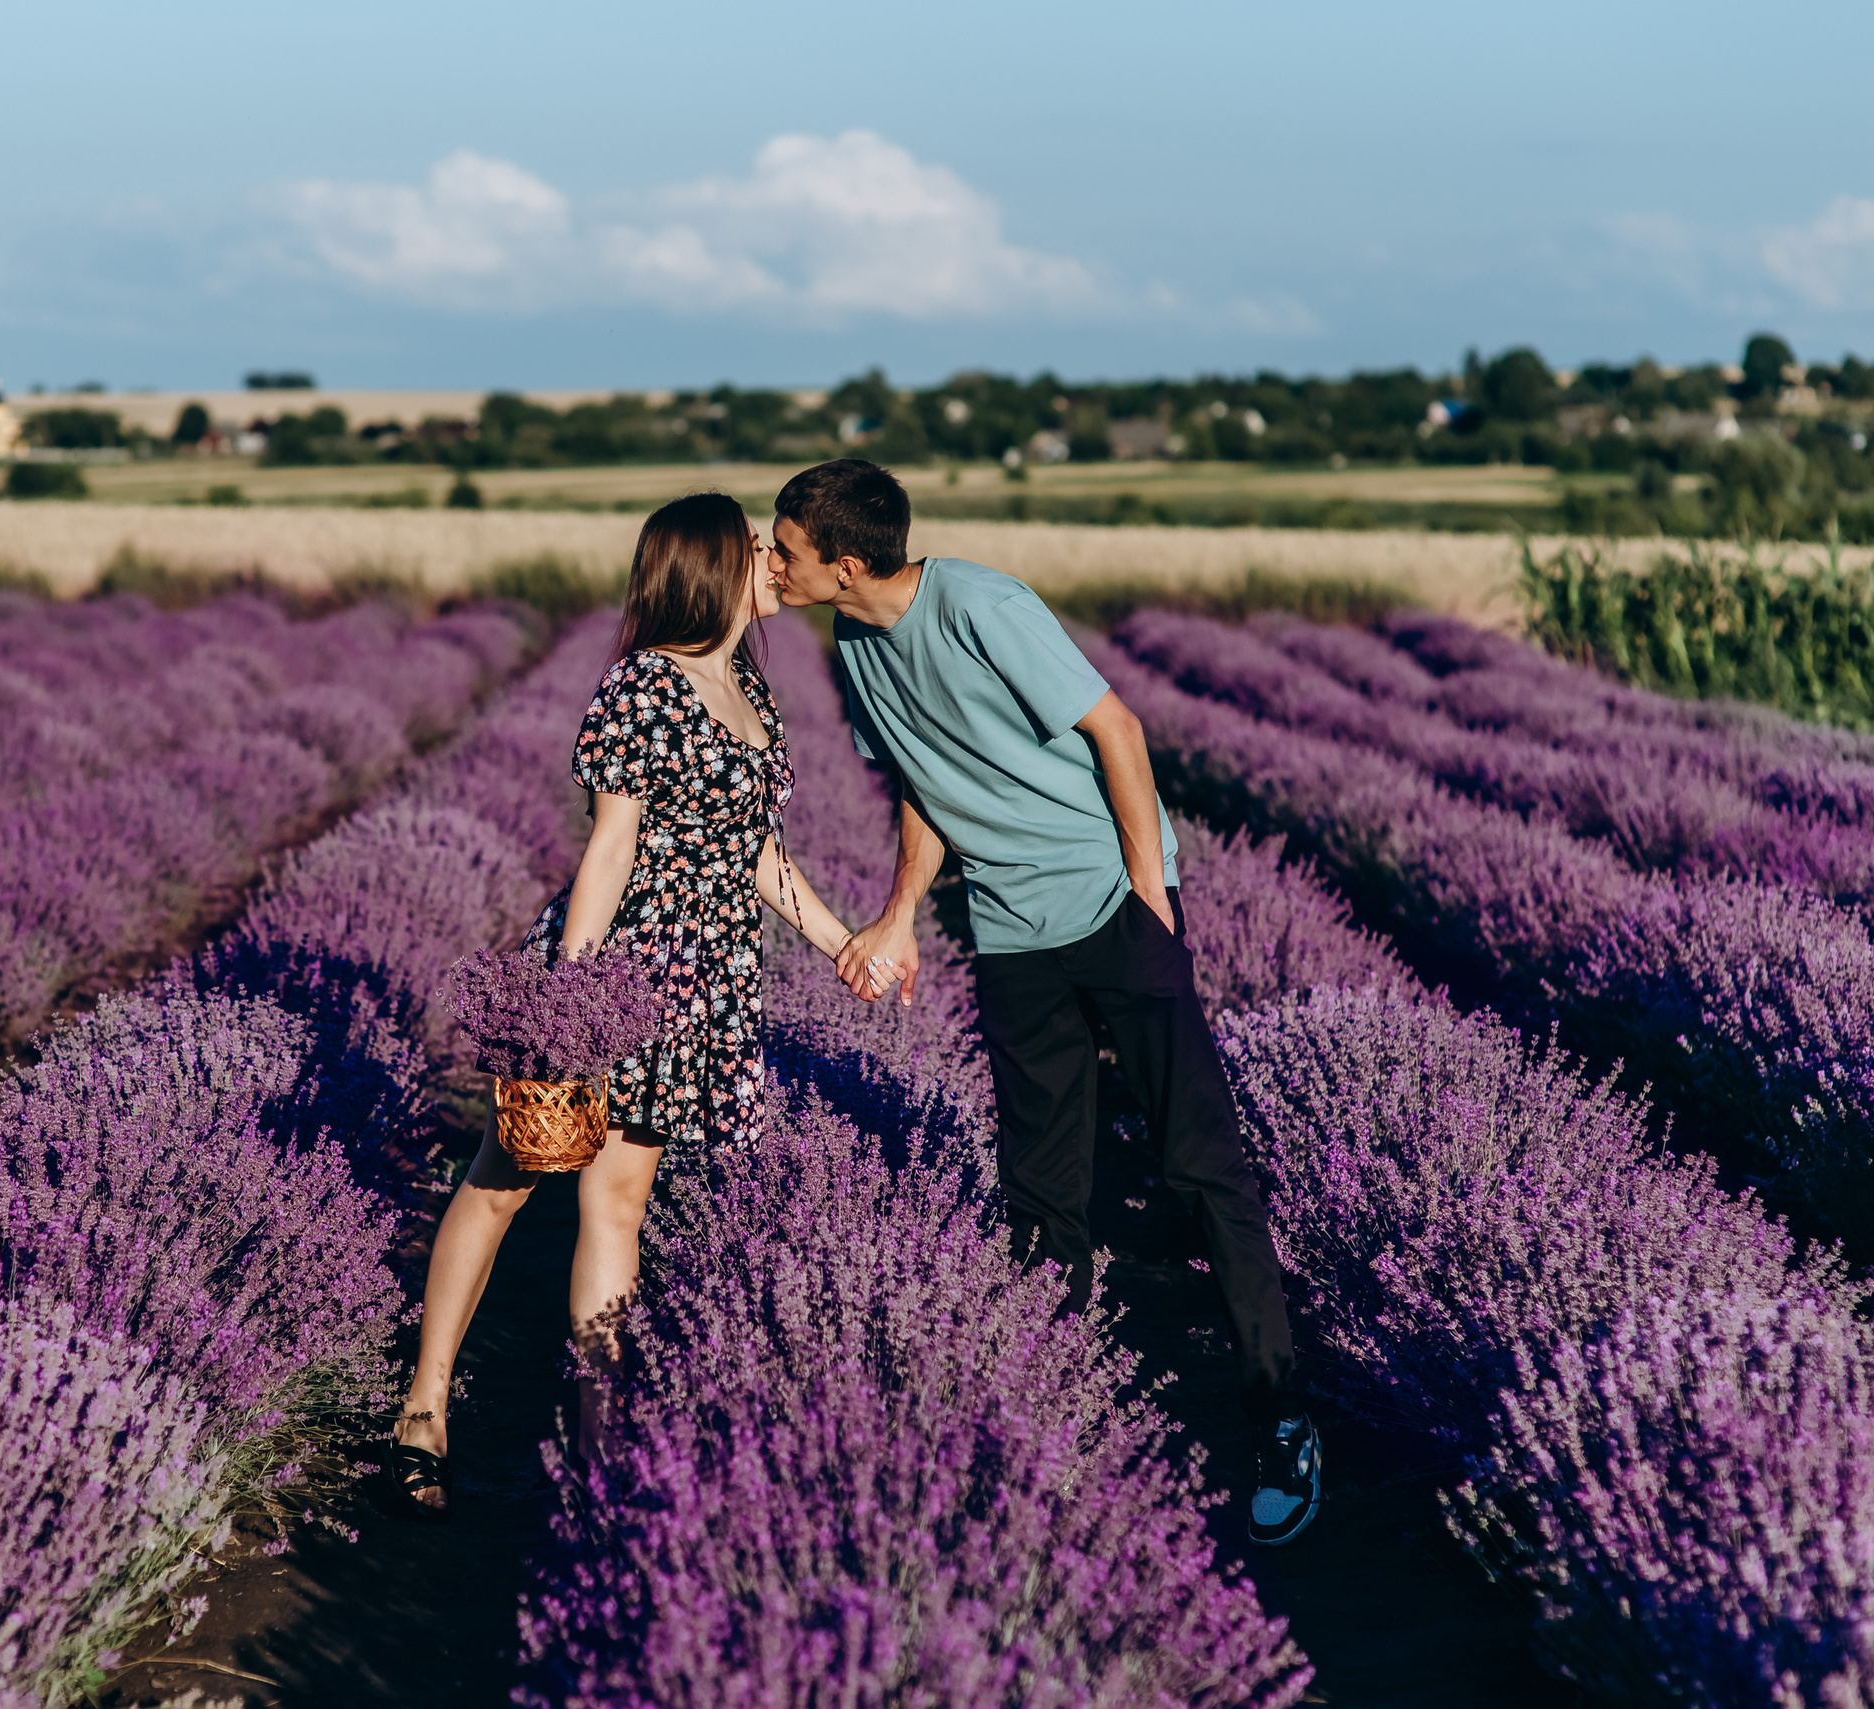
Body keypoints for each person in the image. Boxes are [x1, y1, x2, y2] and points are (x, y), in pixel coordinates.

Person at [768, 458, 1322, 1549]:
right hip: (1012, 932)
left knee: (1199, 1163)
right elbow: (927, 785)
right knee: (1039, 1190)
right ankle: (1058, 1430)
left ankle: (1281, 1415)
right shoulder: (857, 638)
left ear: (841, 560)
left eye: (782, 547)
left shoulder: (982, 603)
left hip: (1114, 908)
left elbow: (1116, 730)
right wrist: (896, 914)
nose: (769, 561)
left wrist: (1149, 896)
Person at [384, 491, 863, 1520]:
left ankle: (596, 1441)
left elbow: (758, 855)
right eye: (756, 552)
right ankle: (424, 1402)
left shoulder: (749, 690)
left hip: (705, 982)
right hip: (620, 974)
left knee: (617, 1203)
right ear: (711, 568)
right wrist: (570, 1000)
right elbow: (609, 846)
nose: (777, 566)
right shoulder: (641, 687)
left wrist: (839, 945)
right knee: (508, 1177)